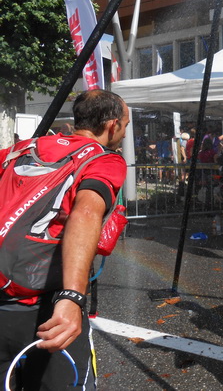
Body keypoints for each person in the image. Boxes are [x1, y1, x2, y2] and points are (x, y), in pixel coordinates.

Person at [0, 90, 128, 390]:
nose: (124, 132)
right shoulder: (104, 160)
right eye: (125, 125)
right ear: (112, 126)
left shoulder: (19, 149)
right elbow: (85, 213)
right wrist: (72, 297)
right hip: (48, 306)